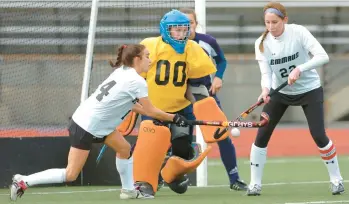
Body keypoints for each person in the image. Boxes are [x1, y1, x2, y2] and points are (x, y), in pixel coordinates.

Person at [9, 44, 189, 201]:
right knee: (71, 174)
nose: (151, 60)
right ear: (137, 59)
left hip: (98, 123)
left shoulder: (122, 72)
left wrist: (165, 116)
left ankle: (128, 191)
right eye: (147, 56)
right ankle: (23, 180)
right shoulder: (136, 81)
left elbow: (133, 105)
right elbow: (149, 110)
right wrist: (174, 117)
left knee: (124, 149)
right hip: (86, 126)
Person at [247, 1, 344, 196]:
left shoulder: (298, 32)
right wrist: (265, 90)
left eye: (275, 22)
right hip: (279, 93)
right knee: (262, 135)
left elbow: (322, 56)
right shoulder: (261, 43)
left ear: (285, 20)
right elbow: (265, 73)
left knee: (318, 135)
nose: (271, 27)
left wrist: (300, 69)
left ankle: (336, 180)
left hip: (309, 90)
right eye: (267, 22)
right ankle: (254, 184)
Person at [131, 9, 217, 197]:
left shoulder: (192, 48)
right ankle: (144, 184)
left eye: (184, 30)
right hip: (153, 109)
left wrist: (206, 109)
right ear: (165, 30)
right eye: (176, 30)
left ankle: (172, 176)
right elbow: (135, 77)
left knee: (182, 150)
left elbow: (197, 83)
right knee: (150, 148)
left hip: (180, 108)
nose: (180, 34)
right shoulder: (150, 46)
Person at [179, 8, 247, 191]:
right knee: (179, 138)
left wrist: (218, 77)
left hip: (204, 94)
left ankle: (234, 178)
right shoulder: (171, 44)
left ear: (196, 23)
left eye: (190, 23)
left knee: (222, 135)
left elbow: (222, 61)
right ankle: (169, 178)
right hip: (179, 96)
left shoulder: (208, 41)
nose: (186, 27)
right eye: (182, 24)